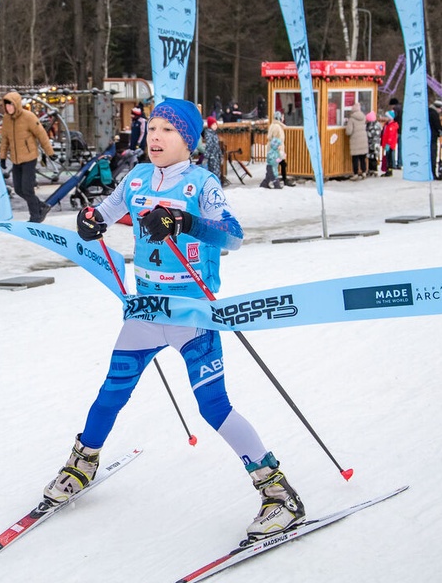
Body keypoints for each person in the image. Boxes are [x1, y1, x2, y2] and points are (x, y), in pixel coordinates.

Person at [45, 98, 306, 542]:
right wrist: (89, 221)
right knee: (111, 392)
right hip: (146, 310)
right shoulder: (137, 178)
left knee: (213, 406)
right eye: (152, 128)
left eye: (167, 129)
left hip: (192, 311)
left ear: (187, 138)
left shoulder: (202, 184)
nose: (155, 136)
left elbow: (234, 238)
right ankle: (82, 464)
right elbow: (102, 214)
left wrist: (185, 222)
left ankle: (278, 494)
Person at [0, 91, 56, 223]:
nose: (8, 108)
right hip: (16, 159)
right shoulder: (6, 119)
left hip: (29, 158)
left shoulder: (28, 117)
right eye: (6, 106)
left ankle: (35, 216)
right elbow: (5, 140)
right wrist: (2, 158)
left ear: (17, 105)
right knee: (18, 189)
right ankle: (42, 206)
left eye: (11, 105)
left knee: (27, 189)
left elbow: (42, 135)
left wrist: (50, 152)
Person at [261, 112, 286, 189]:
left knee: (273, 165)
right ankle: (276, 183)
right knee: (273, 166)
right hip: (275, 149)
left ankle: (265, 183)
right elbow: (275, 140)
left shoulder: (274, 125)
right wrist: (278, 149)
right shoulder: (276, 126)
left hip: (274, 148)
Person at [345, 103, 369, 178]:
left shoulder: (351, 119)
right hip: (363, 140)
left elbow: (348, 132)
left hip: (355, 141)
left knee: (355, 158)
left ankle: (355, 174)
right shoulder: (364, 117)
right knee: (362, 158)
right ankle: (364, 172)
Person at [428, 99, 442, 179]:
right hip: (433, 137)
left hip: (429, 136)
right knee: (433, 155)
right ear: (438, 107)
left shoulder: (428, 112)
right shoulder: (434, 114)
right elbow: (437, 125)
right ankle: (433, 173)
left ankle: (430, 172)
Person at [201, 115, 223, 184]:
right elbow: (209, 146)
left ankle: (217, 186)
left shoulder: (214, 134)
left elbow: (217, 146)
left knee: (217, 173)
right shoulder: (209, 134)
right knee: (213, 173)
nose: (215, 126)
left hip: (216, 157)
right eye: (213, 124)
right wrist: (206, 157)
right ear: (210, 125)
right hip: (212, 158)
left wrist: (220, 155)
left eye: (216, 124)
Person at [381, 110, 399, 176]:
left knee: (389, 158)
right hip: (387, 144)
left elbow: (391, 136)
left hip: (390, 144)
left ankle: (389, 169)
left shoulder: (392, 126)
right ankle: (388, 169)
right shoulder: (387, 125)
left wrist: (388, 143)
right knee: (388, 157)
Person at [365, 111, 382, 175]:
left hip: (373, 143)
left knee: (372, 156)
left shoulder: (372, 126)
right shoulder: (377, 124)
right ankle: (372, 169)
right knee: (372, 156)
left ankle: (373, 169)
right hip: (374, 143)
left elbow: (370, 134)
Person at [388, 97, 402, 168]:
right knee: (400, 148)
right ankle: (400, 163)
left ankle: (393, 164)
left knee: (392, 147)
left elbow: (392, 118)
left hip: (395, 130)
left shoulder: (395, 110)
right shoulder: (403, 108)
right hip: (402, 130)